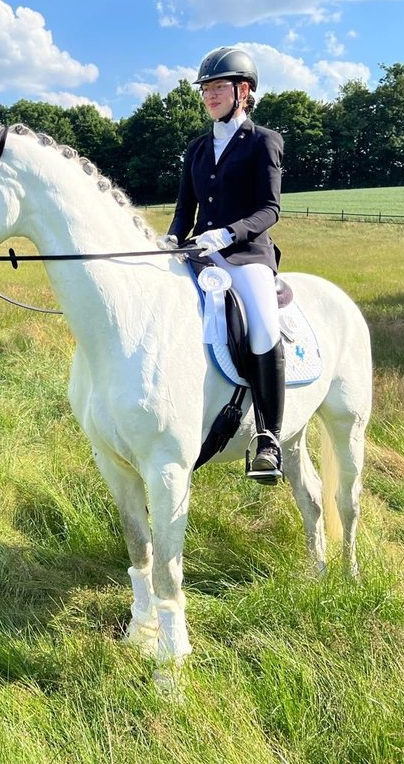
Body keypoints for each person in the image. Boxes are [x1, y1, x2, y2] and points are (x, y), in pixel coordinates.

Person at [163, 46, 286, 484]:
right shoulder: (197, 148)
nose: (210, 96)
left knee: (264, 325)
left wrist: (230, 233)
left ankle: (269, 438)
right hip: (199, 252)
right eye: (206, 89)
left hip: (246, 253)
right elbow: (184, 209)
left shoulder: (263, 141)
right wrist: (173, 237)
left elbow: (270, 209)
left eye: (218, 88)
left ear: (244, 90)